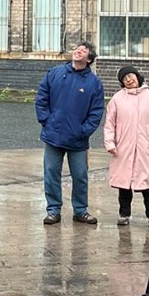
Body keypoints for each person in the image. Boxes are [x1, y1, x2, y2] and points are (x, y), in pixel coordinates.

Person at [34, 38, 105, 226]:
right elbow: (42, 99)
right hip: (53, 135)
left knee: (80, 175)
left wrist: (84, 131)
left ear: (89, 59)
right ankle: (53, 210)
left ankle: (80, 211)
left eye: (83, 50)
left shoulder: (94, 83)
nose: (78, 51)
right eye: (77, 49)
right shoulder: (54, 74)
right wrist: (46, 122)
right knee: (51, 173)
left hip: (78, 139)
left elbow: (96, 112)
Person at [103, 64, 149, 228]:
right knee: (124, 184)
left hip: (147, 148)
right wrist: (110, 142)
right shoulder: (117, 99)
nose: (129, 80)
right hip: (123, 147)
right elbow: (110, 124)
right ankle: (124, 214)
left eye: (130, 76)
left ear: (137, 77)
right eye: (124, 79)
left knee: (148, 185)